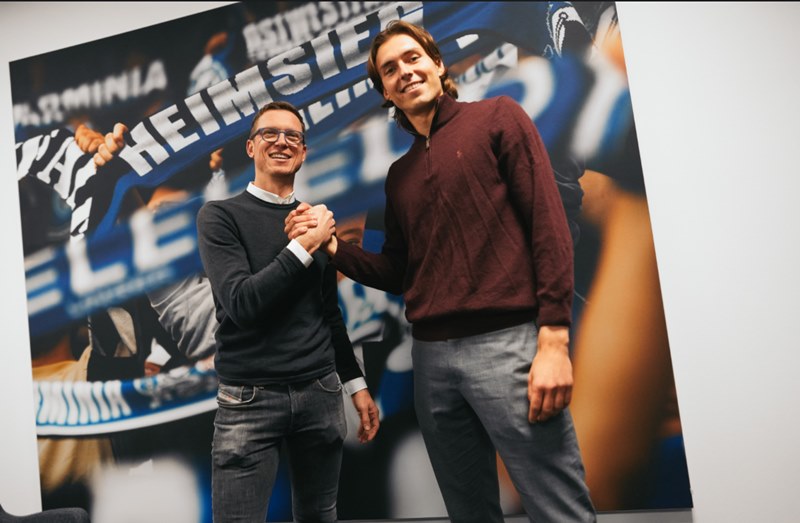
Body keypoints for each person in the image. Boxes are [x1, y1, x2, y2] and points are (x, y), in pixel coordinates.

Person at [286, 21, 596, 523]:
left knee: (559, 509)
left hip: (507, 346)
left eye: (412, 58)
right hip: (431, 362)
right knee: (468, 513)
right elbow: (398, 272)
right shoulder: (399, 176)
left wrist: (555, 340)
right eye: (390, 70)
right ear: (385, 92)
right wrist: (333, 247)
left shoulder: (499, 116)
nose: (405, 72)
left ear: (436, 63)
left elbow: (548, 224)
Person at [196, 100, 380, 523]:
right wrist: (306, 245)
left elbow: (328, 313)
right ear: (251, 147)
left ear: (303, 151)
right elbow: (243, 304)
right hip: (249, 400)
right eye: (270, 133)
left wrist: (356, 384)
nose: (282, 141)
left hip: (320, 392)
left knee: (321, 515)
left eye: (293, 136)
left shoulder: (316, 220)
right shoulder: (220, 217)